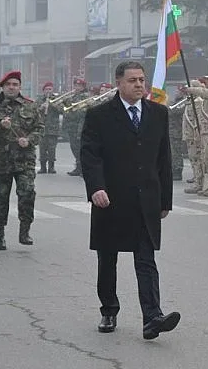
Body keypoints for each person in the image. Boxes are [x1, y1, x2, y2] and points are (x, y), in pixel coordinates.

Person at [80, 61, 180, 338]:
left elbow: (164, 160)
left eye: (142, 80)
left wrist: (164, 200)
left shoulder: (158, 113)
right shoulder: (99, 115)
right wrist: (96, 188)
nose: (139, 85)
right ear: (119, 83)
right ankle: (109, 310)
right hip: (110, 199)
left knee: (146, 260)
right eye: (133, 80)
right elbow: (90, 156)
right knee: (108, 258)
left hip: (145, 200)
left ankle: (152, 317)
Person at [0, 70, 44, 250]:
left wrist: (29, 140)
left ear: (20, 87)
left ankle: (25, 231)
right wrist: (0, 125)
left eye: (15, 84)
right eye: (8, 84)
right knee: (0, 200)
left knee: (27, 194)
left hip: (24, 161)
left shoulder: (30, 106)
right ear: (2, 87)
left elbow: (39, 129)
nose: (12, 87)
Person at [63, 77, 90, 176]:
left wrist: (70, 112)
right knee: (74, 147)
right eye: (76, 85)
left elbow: (80, 112)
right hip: (72, 127)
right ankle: (78, 168)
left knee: (81, 148)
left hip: (80, 126)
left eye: (79, 85)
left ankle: (83, 169)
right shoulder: (73, 96)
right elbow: (65, 109)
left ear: (83, 87)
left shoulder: (85, 97)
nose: (77, 87)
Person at [38, 81, 61, 174]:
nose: (48, 91)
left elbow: (62, 110)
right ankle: (43, 167)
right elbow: (33, 111)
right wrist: (41, 107)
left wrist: (52, 104)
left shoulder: (57, 99)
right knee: (42, 149)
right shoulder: (39, 99)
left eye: (50, 89)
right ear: (43, 90)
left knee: (52, 149)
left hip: (53, 129)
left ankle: (51, 167)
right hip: (42, 127)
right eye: (46, 89)